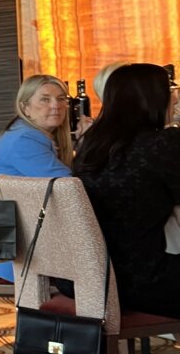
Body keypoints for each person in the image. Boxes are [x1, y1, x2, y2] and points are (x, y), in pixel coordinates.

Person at [73, 63, 180, 316]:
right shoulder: (162, 143)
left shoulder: (91, 145)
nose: (175, 98)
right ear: (151, 98)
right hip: (145, 282)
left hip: (89, 279)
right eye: (169, 92)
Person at [0, 74, 74, 282]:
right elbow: (70, 186)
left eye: (61, 99)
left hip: (6, 234)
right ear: (25, 107)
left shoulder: (26, 131)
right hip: (2, 248)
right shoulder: (25, 139)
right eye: (45, 99)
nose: (55, 105)